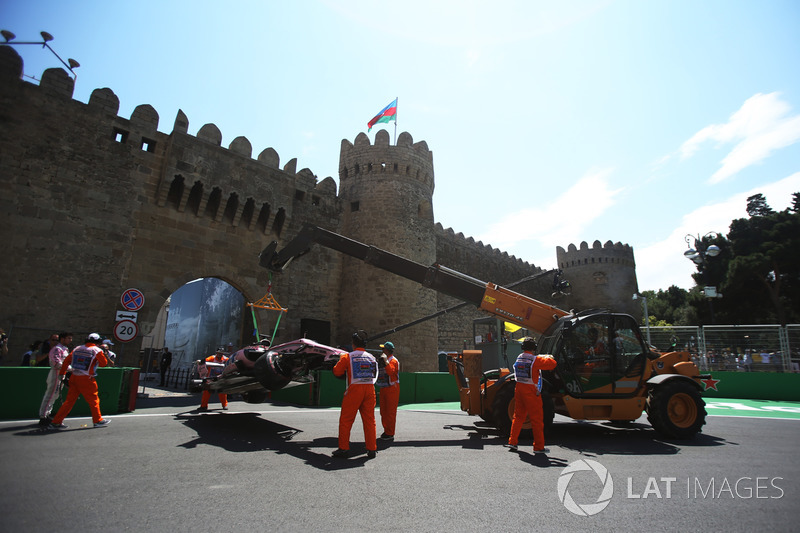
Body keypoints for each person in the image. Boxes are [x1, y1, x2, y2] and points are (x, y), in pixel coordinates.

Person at [505, 337, 557, 454]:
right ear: (534, 348)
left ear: (523, 347)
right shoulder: (536, 360)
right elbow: (553, 364)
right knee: (536, 419)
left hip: (519, 388)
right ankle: (538, 447)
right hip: (531, 391)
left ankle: (512, 442)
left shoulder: (519, 357)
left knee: (518, 417)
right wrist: (547, 357)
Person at [48, 333, 111, 430]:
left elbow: (66, 361)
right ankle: (97, 420)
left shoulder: (77, 348)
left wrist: (62, 373)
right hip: (86, 378)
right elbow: (103, 364)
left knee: (69, 401)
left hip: (74, 377)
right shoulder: (97, 350)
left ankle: (56, 422)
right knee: (94, 400)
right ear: (98, 342)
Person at [331, 331, 378, 459]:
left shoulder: (348, 357)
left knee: (346, 420)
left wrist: (339, 360)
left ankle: (344, 448)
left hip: (355, 389)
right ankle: (372, 448)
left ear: (353, 344)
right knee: (370, 420)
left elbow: (337, 371)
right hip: (370, 389)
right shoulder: (372, 357)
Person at [39, 332, 73, 426]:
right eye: (68, 338)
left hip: (62, 374)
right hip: (55, 373)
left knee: (55, 395)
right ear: (62, 339)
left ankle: (47, 414)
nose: (70, 340)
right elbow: (56, 363)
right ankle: (43, 416)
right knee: (50, 395)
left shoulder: (64, 349)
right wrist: (70, 369)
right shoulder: (57, 349)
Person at [376, 341, 400, 441]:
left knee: (390, 411)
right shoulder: (386, 359)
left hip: (392, 388)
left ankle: (390, 433)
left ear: (388, 350)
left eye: (384, 349)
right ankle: (387, 430)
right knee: (383, 411)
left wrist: (385, 362)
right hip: (384, 387)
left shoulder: (393, 361)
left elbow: (390, 372)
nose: (382, 350)